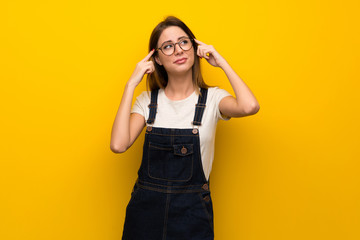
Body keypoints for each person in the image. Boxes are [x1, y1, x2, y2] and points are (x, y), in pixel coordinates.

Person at [110, 16, 260, 240]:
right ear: (157, 58)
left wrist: (222, 62)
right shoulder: (147, 102)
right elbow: (118, 144)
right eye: (168, 47)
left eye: (184, 42)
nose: (178, 50)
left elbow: (250, 106)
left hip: (192, 216)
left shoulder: (213, 100)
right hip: (145, 217)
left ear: (195, 47)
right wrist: (130, 84)